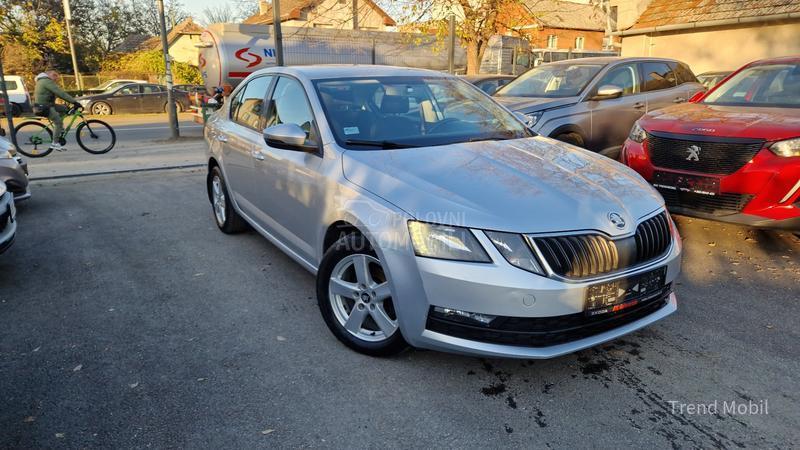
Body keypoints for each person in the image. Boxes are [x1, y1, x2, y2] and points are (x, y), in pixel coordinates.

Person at [33, 70, 82, 151]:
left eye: (57, 78)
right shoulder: (46, 81)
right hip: (44, 107)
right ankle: (55, 143)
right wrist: (74, 102)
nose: (55, 80)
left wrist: (69, 102)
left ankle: (60, 129)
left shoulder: (43, 80)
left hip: (47, 104)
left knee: (65, 109)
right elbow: (60, 93)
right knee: (58, 122)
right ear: (49, 75)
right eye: (54, 76)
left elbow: (58, 93)